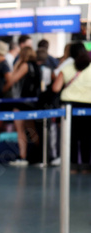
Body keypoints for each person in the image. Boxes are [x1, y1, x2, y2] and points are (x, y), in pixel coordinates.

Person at [53, 42, 91, 173]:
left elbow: (55, 88)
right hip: (88, 106)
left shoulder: (67, 68)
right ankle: (86, 166)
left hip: (69, 106)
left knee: (71, 137)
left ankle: (73, 167)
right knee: (87, 137)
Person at [5, 47, 41, 166]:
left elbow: (13, 79)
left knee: (20, 130)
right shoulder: (36, 66)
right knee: (31, 129)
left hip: (21, 101)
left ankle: (22, 156)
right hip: (32, 102)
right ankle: (40, 154)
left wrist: (16, 66)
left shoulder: (24, 65)